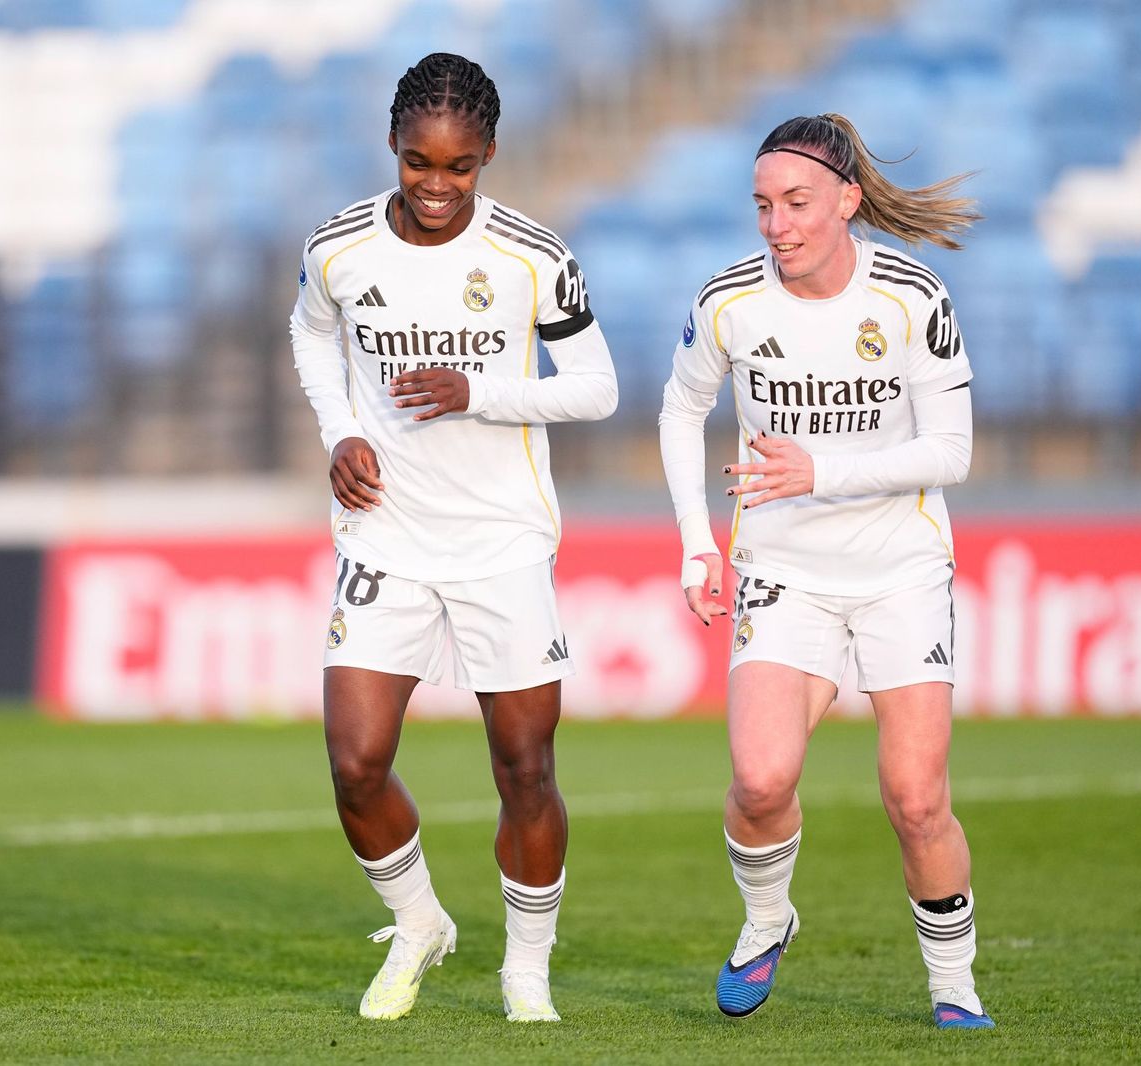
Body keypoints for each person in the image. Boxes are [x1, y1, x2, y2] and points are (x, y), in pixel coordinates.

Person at [289, 52, 618, 1023]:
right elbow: (310, 335)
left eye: (460, 167)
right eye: (418, 163)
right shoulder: (337, 247)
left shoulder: (530, 255)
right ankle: (420, 920)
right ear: (393, 147)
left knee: (524, 767)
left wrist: (480, 392)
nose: (437, 186)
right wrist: (339, 430)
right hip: (383, 534)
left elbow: (595, 386)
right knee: (354, 762)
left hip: (501, 541)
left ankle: (527, 967)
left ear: (488, 157)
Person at [657, 113, 993, 1029]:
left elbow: (952, 452)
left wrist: (821, 472)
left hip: (900, 569)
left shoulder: (913, 297)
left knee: (917, 799)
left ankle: (953, 984)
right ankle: (768, 919)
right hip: (784, 570)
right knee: (761, 781)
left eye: (797, 203)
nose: (778, 225)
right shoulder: (729, 302)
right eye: (763, 206)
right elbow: (681, 411)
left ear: (847, 200)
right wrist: (698, 540)